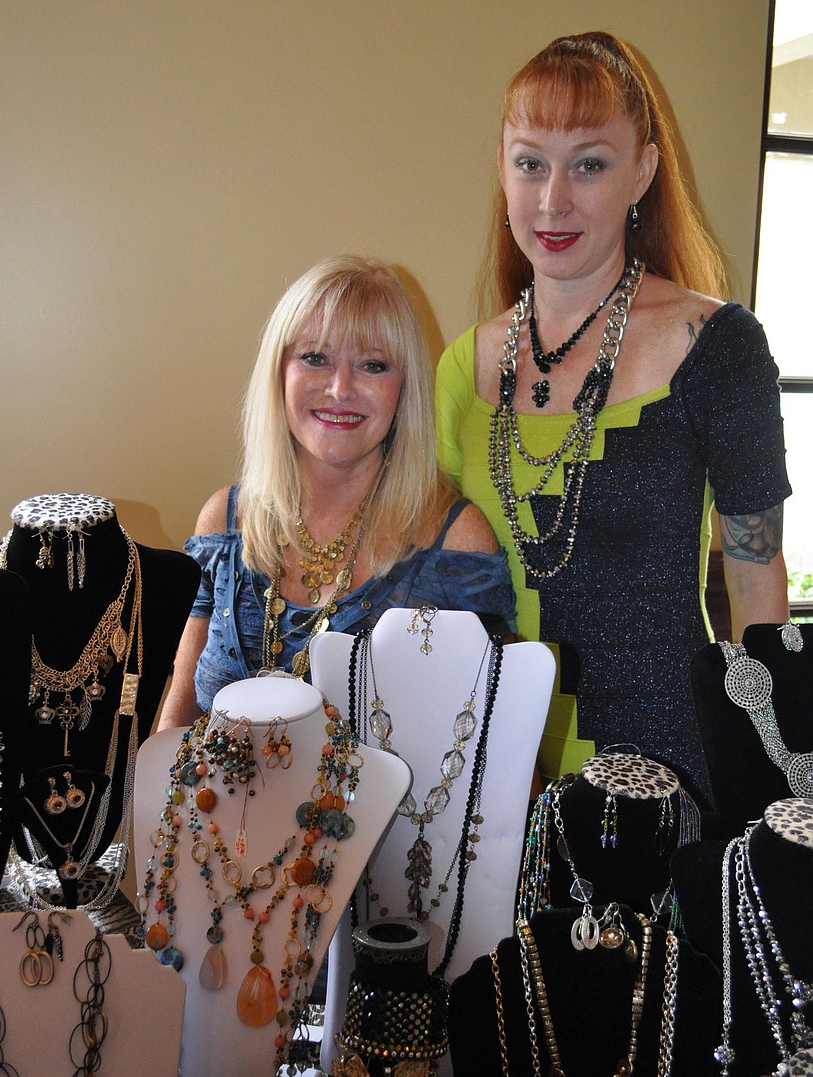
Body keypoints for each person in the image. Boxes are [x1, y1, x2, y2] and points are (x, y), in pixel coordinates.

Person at [435, 31, 790, 800]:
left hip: (666, 778)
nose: (553, 198)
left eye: (589, 163)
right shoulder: (463, 368)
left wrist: (763, 790)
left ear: (643, 173)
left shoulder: (718, 347)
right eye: (530, 162)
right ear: (502, 169)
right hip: (488, 775)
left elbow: (760, 591)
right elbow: (430, 584)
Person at [159, 255, 515, 730]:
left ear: (404, 388)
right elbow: (177, 722)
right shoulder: (223, 522)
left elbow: (497, 740)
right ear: (279, 371)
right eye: (315, 358)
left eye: (372, 365)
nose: (339, 389)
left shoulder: (455, 543)